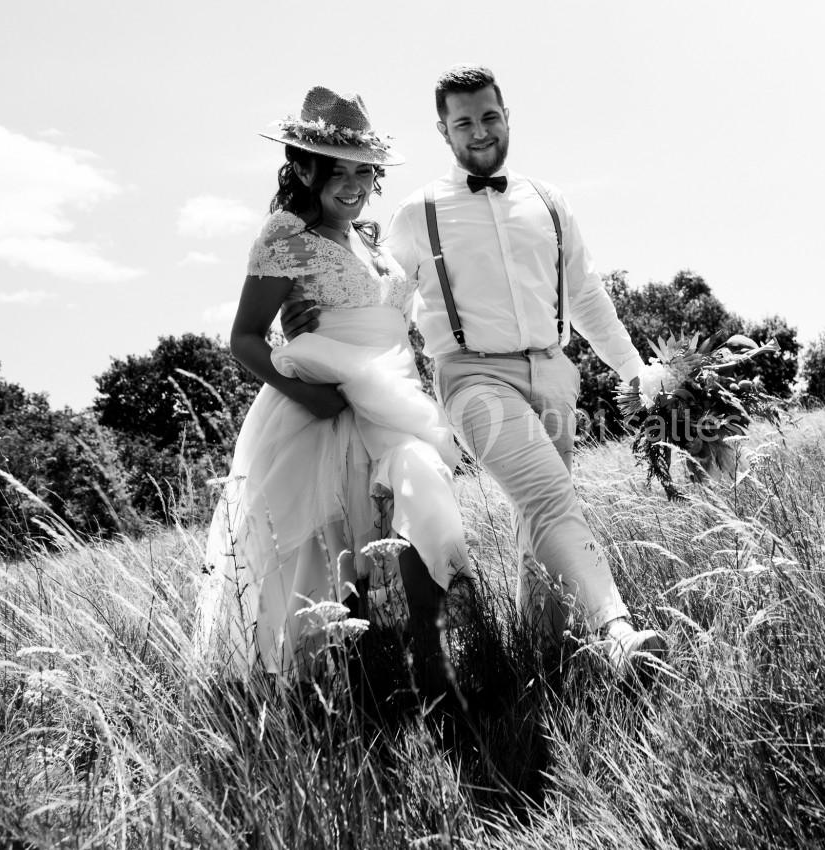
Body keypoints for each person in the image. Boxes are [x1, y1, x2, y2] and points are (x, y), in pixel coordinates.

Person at [285, 66, 667, 675]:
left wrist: (632, 369)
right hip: (472, 378)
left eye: (489, 116)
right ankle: (617, 631)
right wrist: (317, 322)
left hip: (554, 370)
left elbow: (587, 295)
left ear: (507, 116)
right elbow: (381, 298)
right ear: (444, 131)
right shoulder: (418, 213)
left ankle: (547, 656)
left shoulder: (549, 201)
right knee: (551, 497)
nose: (480, 131)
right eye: (463, 122)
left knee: (537, 518)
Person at [194, 86, 472, 681]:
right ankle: (331, 685)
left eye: (363, 171)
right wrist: (311, 395)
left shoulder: (370, 240)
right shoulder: (285, 236)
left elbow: (386, 321)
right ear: (302, 168)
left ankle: (438, 671)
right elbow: (244, 338)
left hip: (393, 402)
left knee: (423, 494)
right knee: (330, 549)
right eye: (337, 171)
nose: (353, 184)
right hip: (323, 405)